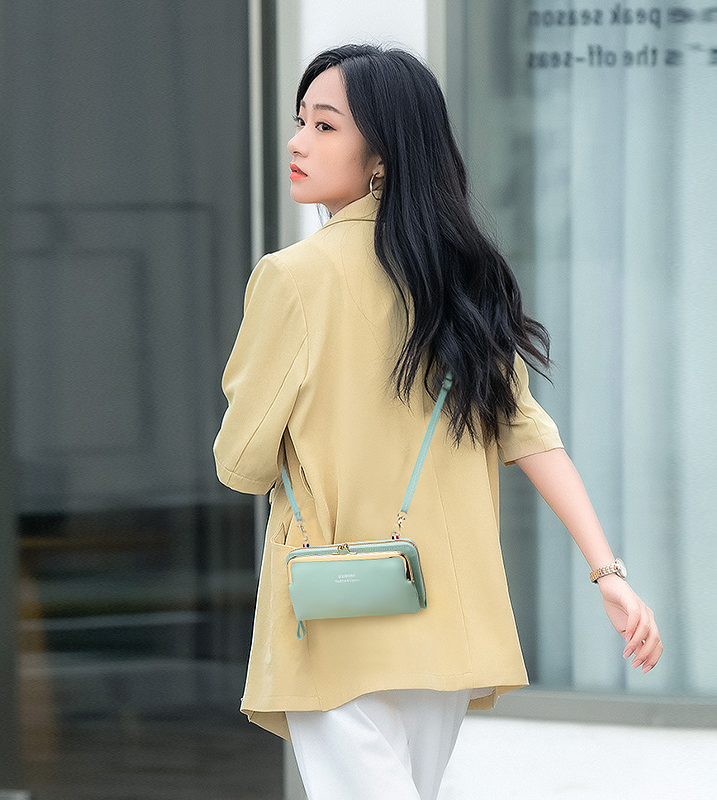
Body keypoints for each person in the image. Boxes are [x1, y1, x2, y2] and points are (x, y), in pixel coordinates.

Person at [213, 43, 662, 800]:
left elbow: (242, 463)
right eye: (301, 122)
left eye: (324, 125)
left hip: (335, 611)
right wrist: (607, 572)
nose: (297, 142)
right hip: (445, 616)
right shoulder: (461, 280)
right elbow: (527, 432)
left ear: (381, 158)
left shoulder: (292, 278)